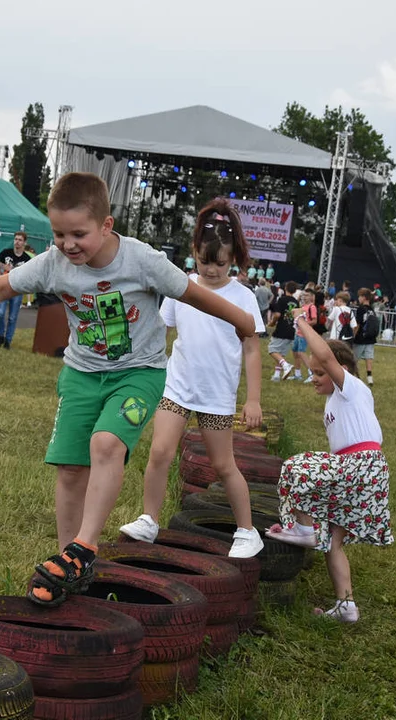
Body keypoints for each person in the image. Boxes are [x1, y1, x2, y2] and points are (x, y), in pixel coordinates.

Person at [0, 173, 257, 607]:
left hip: (138, 375)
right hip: (80, 375)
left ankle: (84, 546)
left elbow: (192, 295)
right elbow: (1, 286)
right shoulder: (54, 262)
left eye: (79, 234)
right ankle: (67, 563)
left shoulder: (141, 260)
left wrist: (241, 321)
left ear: (106, 226)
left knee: (106, 443)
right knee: (71, 469)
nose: (68, 244)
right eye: (58, 233)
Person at [119, 200, 265, 558]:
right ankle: (149, 519)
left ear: (234, 259)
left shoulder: (242, 297)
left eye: (220, 263)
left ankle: (247, 531)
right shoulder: (182, 289)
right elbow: (161, 331)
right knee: (159, 451)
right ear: (193, 253)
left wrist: (253, 399)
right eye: (204, 261)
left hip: (216, 395)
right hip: (177, 387)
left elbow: (252, 350)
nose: (211, 269)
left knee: (222, 465)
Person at [264, 320, 392, 623]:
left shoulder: (351, 389)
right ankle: (346, 606)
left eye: (319, 372)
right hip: (364, 472)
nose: (313, 378)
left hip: (362, 464)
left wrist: (301, 324)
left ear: (341, 369)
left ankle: (304, 529)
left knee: (296, 468)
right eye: (312, 372)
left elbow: (324, 352)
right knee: (332, 541)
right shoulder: (336, 401)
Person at [0, 231, 33, 348]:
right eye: (16, 239)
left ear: (24, 243)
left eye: (20, 240)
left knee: (12, 317)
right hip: (4, 286)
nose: (17, 242)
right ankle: (0, 336)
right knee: (0, 313)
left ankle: (8, 340)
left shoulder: (27, 258)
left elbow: (29, 274)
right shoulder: (6, 253)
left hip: (17, 289)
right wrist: (0, 276)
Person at [267, 281, 299, 382]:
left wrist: (272, 323)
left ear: (285, 288)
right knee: (281, 353)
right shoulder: (296, 302)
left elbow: (277, 315)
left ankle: (286, 365)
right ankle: (276, 375)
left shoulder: (282, 299)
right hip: (291, 329)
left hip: (282, 328)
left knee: (272, 349)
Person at [353, 288, 378, 385]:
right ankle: (369, 377)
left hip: (361, 338)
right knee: (369, 357)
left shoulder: (360, 309)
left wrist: (353, 336)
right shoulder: (372, 309)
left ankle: (354, 376)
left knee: (354, 358)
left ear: (364, 297)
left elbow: (358, 324)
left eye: (359, 296)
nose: (358, 298)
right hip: (371, 338)